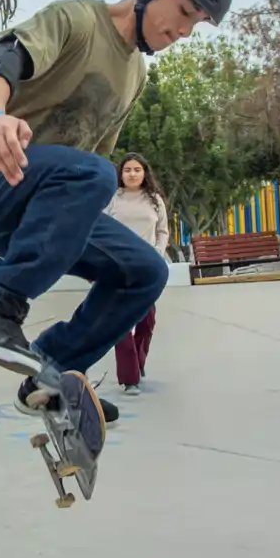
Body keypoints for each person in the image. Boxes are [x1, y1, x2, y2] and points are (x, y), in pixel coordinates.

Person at [0, 0, 233, 420]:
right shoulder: (79, 19)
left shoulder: (136, 75)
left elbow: (89, 163)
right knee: (95, 174)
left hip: (34, 202)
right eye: (184, 13)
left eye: (196, 24)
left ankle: (51, 373)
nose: (185, 32)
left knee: (144, 271)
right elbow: (0, 58)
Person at [105, 153, 169, 396]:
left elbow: (163, 231)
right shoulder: (112, 198)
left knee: (147, 321)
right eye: (127, 170)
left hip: (147, 266)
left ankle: (138, 362)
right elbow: (101, 229)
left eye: (137, 170)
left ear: (144, 173)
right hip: (117, 266)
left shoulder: (155, 200)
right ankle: (129, 378)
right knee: (120, 322)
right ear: (121, 174)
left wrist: (158, 253)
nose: (132, 174)